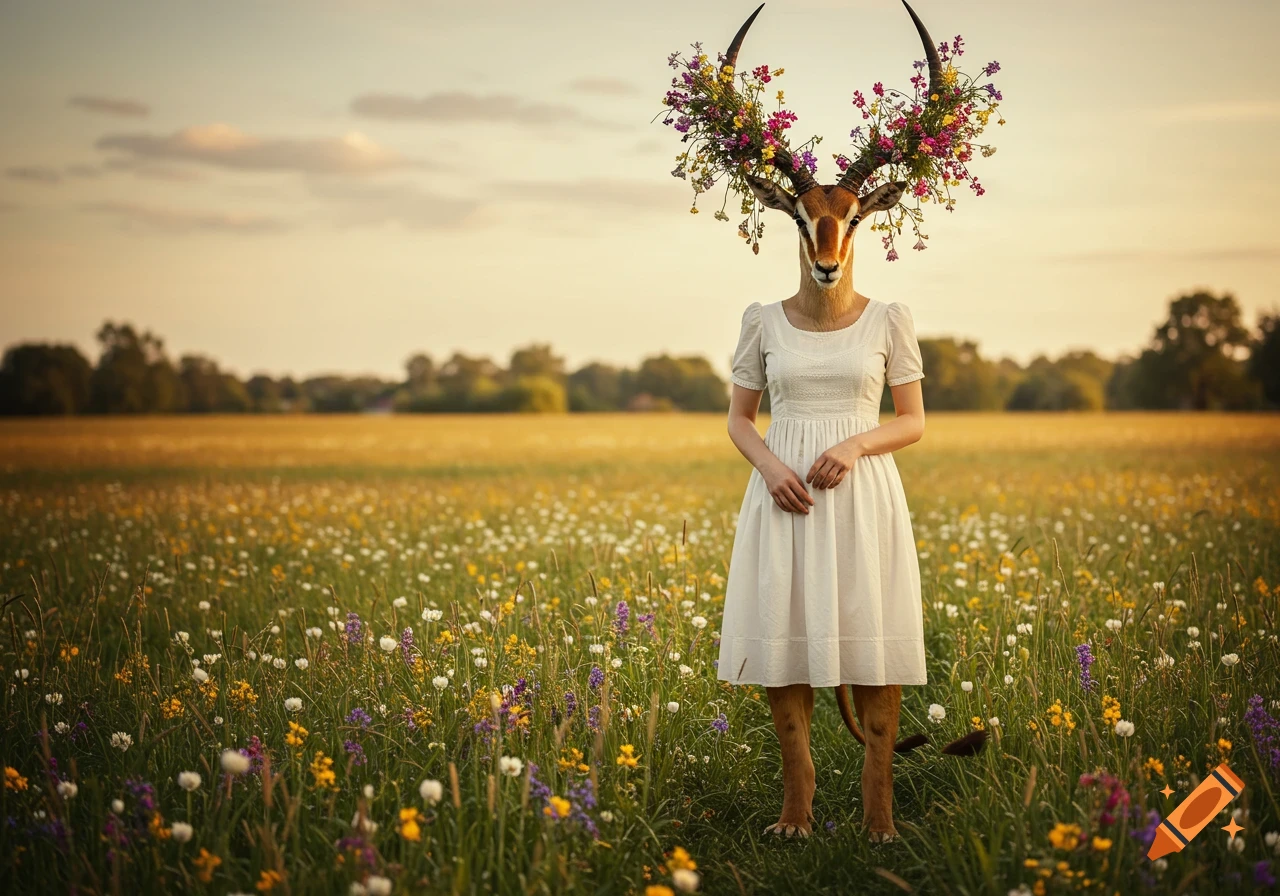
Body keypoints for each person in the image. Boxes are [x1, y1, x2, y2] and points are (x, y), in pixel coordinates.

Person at [718, 276, 928, 840]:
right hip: (784, 496)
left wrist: (855, 443)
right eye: (811, 226)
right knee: (785, 630)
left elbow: (913, 420)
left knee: (870, 630)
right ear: (799, 229)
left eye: (842, 224)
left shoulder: (888, 318)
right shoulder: (762, 319)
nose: (825, 243)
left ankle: (878, 810)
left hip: (863, 497)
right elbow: (739, 418)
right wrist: (769, 467)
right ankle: (796, 803)